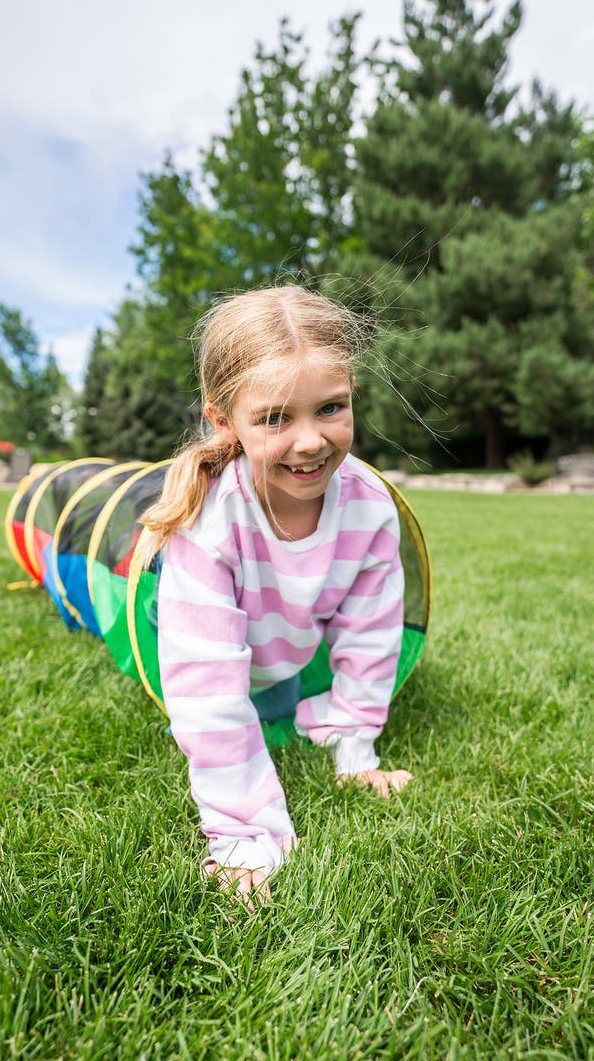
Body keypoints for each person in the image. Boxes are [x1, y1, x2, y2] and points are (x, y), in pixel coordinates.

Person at [140, 285, 412, 908]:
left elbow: (371, 634)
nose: (311, 441)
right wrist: (243, 838)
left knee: (286, 689)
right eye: (274, 418)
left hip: (281, 647)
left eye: (331, 408)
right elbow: (206, 686)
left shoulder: (369, 508)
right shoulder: (211, 521)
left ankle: (303, 712)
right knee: (216, 700)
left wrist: (354, 749)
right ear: (222, 420)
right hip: (189, 633)